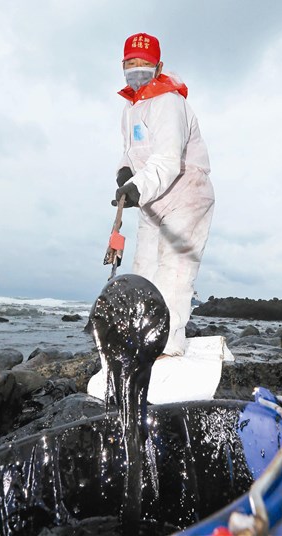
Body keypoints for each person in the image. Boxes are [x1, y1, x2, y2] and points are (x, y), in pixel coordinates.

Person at [113, 32, 215, 357]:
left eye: (144, 63)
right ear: (123, 65)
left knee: (174, 271)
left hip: (186, 193)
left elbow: (168, 160)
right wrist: (124, 172)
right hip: (153, 198)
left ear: (158, 67)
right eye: (131, 63)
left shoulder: (169, 101)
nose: (137, 69)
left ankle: (167, 347)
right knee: (143, 270)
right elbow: (132, 151)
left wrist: (136, 187)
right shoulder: (131, 107)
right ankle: (142, 338)